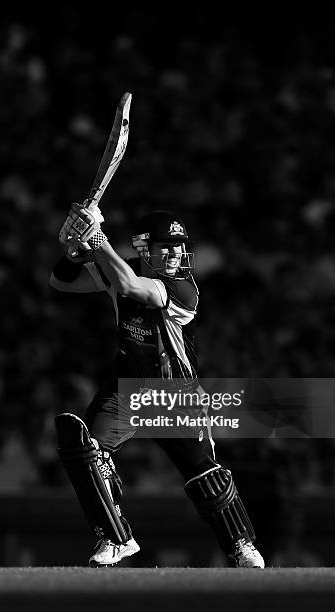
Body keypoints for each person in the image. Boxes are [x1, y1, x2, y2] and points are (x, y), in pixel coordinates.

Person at [50, 202, 265, 568]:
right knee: (85, 452)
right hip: (128, 387)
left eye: (179, 245)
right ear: (143, 248)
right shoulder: (121, 268)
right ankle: (116, 538)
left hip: (174, 393)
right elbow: (61, 283)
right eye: (165, 245)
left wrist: (97, 240)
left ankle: (241, 545)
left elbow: (132, 287)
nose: (175, 253)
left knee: (205, 478)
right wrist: (75, 252)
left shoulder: (184, 289)